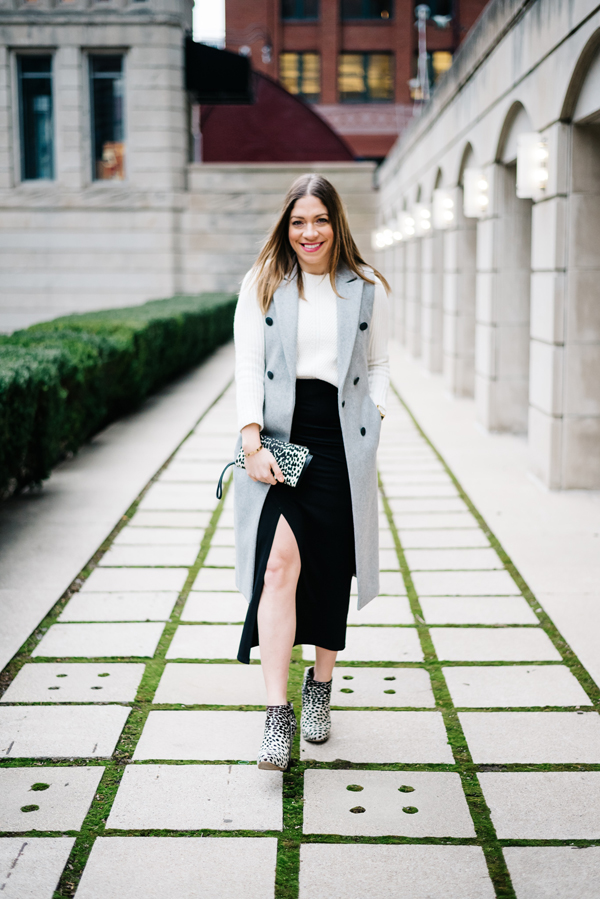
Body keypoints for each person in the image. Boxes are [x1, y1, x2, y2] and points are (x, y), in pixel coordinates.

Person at [233, 173, 390, 771]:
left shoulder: (367, 286)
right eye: (298, 222)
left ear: (336, 222)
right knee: (277, 564)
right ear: (286, 226)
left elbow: (379, 365)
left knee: (330, 568)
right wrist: (251, 441)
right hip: (280, 440)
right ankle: (278, 716)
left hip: (341, 438)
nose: (309, 232)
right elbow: (247, 365)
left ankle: (320, 688)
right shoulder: (265, 281)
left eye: (319, 220)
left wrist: (375, 420)